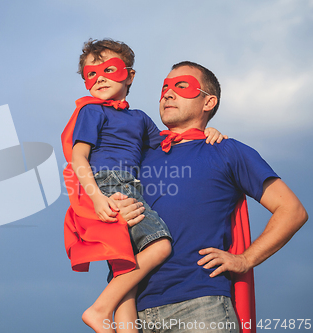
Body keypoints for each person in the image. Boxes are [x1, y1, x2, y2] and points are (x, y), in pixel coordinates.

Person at [114, 61, 308, 333]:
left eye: (182, 87)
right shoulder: (138, 155)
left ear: (209, 102)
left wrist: (244, 259)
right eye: (165, 88)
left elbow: (292, 210)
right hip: (132, 313)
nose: (168, 93)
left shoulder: (226, 150)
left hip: (201, 308)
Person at [62, 39, 226, 333]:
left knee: (126, 266)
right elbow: (78, 156)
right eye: (91, 74)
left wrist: (207, 131)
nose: (99, 78)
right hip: (107, 185)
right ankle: (99, 310)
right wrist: (98, 198)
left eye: (109, 70)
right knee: (160, 246)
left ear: (130, 75)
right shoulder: (92, 111)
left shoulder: (138, 118)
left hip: (127, 187)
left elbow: (169, 141)